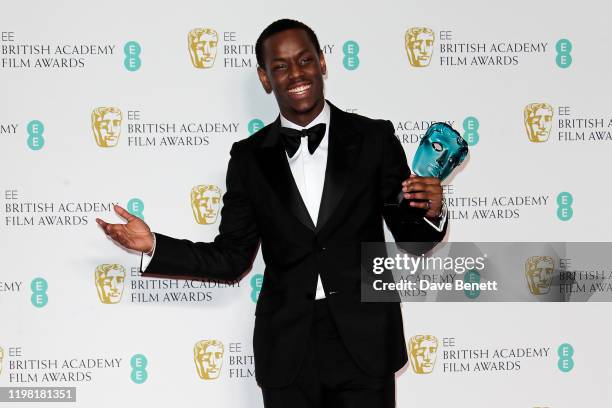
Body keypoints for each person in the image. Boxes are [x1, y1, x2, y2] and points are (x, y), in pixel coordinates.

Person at [97, 19, 447, 408]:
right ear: (265, 78)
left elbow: (414, 241)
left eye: (304, 60)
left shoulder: (375, 139)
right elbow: (232, 258)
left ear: (322, 63)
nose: (296, 73)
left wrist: (432, 209)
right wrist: (155, 245)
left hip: (365, 342)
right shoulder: (248, 158)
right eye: (280, 66)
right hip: (287, 349)